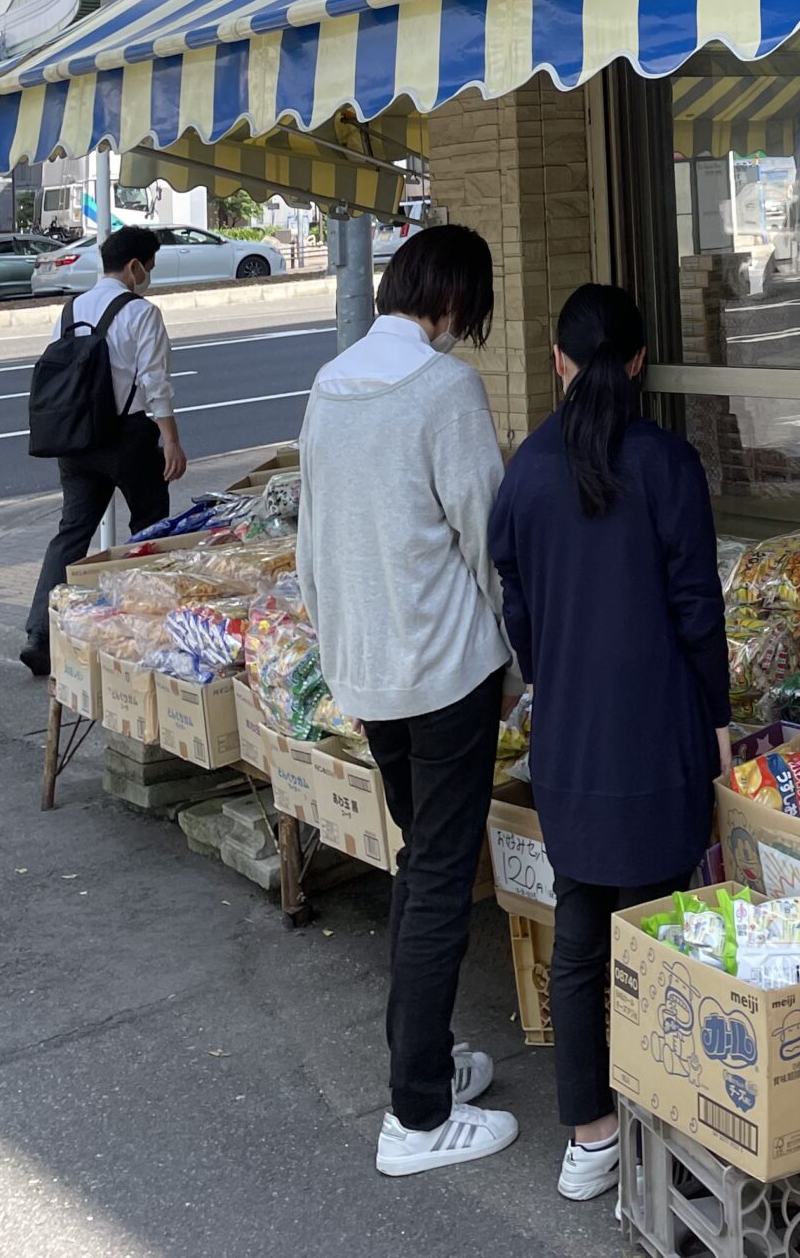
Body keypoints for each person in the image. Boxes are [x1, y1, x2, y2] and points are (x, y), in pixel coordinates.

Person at [490, 283, 731, 1207]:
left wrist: (551, 673)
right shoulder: (667, 464)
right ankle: (670, 1132)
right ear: (637, 363)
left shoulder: (528, 469)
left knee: (582, 933)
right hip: (657, 730)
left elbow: (514, 594)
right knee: (662, 934)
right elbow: (695, 607)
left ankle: (591, 1135)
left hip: (570, 741)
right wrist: (715, 714)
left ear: (557, 360)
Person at [296, 224, 517, 1179]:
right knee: (435, 879)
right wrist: (522, 656)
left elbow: (312, 545)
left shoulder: (330, 383)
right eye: (471, 312)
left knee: (418, 864)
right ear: (455, 298)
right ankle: (416, 1117)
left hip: (369, 675)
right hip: (445, 671)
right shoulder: (443, 388)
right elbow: (487, 535)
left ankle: (423, 1065)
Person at [21, 224, 185, 674]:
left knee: (71, 533)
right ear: (134, 267)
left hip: (74, 439)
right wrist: (171, 440)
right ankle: (148, 625)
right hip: (128, 438)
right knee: (151, 528)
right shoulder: (141, 313)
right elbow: (155, 384)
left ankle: (41, 634)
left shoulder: (70, 310)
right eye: (148, 267)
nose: (148, 275)